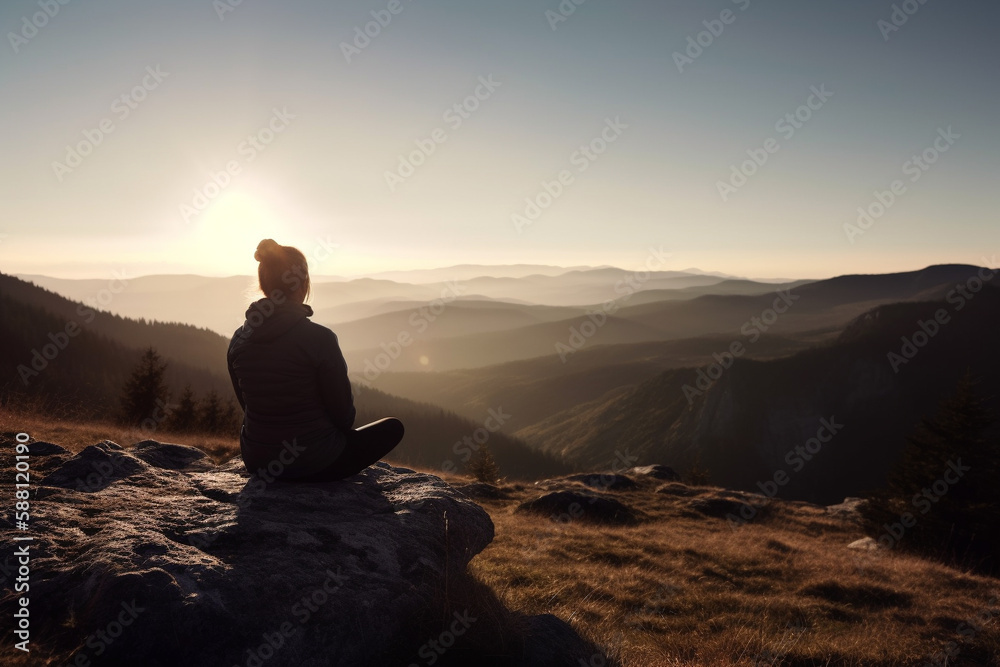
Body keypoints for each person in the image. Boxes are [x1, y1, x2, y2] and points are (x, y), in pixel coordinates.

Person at [227, 238, 403, 482]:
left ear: (264, 285)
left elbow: (247, 406)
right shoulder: (320, 338)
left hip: (257, 460)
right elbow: (344, 418)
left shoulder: (239, 338)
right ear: (302, 285)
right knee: (393, 428)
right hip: (315, 462)